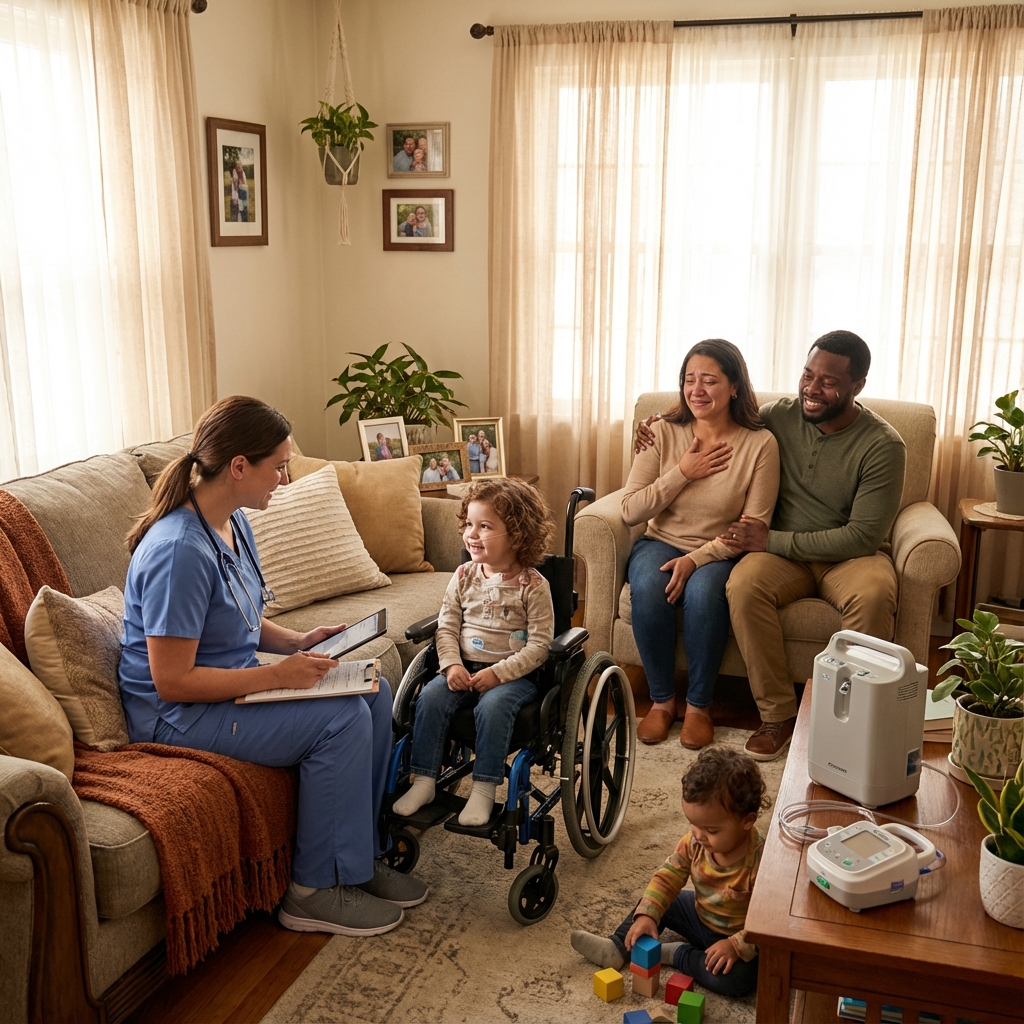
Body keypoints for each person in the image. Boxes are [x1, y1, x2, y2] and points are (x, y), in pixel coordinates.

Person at [118, 395, 428, 937]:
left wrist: (296, 642)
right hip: (177, 715)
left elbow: (235, 617)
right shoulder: (178, 552)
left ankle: (360, 859)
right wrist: (276, 676)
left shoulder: (233, 522)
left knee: (373, 692)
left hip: (228, 687)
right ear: (239, 467)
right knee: (342, 718)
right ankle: (312, 891)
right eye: (279, 465)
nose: (285, 479)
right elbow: (171, 680)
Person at [635, 330, 906, 761]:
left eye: (829, 382)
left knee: (874, 595)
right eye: (807, 375)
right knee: (742, 586)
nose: (812, 390)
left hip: (849, 557)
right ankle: (778, 715)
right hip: (781, 558)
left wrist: (770, 538)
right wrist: (652, 423)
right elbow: (711, 408)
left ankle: (855, 724)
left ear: (858, 387)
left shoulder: (884, 445)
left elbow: (863, 536)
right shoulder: (779, 416)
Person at [623, 339, 779, 749]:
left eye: (710, 380)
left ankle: (698, 706)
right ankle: (660, 702)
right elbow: (629, 510)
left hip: (719, 550)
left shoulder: (760, 444)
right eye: (690, 379)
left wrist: (696, 559)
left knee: (707, 592)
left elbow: (753, 526)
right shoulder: (659, 432)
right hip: (660, 540)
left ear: (734, 387)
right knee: (649, 584)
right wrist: (682, 472)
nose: (697, 389)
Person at [392, 478, 556, 826]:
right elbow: (447, 626)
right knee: (430, 699)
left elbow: (540, 647)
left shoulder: (534, 586)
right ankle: (424, 780)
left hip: (513, 676)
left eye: (484, 526)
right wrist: (451, 666)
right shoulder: (464, 575)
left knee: (494, 707)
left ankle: (483, 790)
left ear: (516, 534)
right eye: (469, 524)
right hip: (463, 668)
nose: (472, 534)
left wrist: (498, 674)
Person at [570, 745, 767, 997]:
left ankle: (677, 954)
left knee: (738, 980)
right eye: (692, 824)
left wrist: (736, 945)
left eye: (712, 830)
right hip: (700, 916)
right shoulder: (694, 842)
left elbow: (770, 921)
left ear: (747, 821)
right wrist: (648, 916)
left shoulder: (761, 860)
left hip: (738, 933)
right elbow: (668, 876)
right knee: (656, 900)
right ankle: (617, 947)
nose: (698, 835)